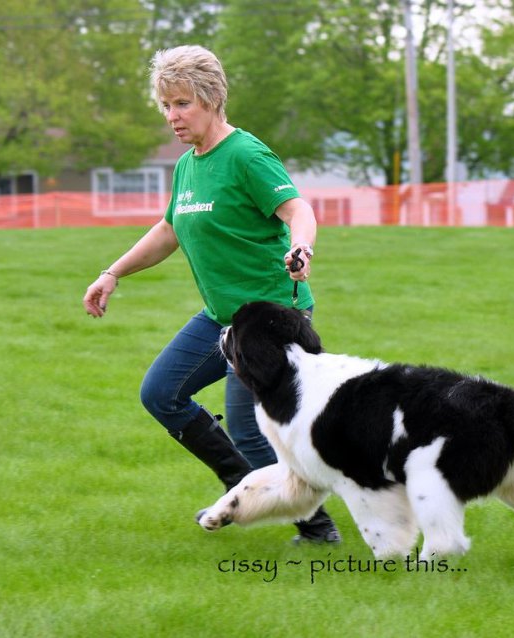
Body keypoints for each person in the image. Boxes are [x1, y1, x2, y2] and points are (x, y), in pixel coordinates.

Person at [82, 44, 340, 544]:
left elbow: (297, 210)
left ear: (211, 99)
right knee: (162, 395)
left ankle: (316, 527)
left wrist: (302, 248)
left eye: (182, 104)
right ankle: (241, 486)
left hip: (268, 319)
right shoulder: (188, 165)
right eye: (165, 105)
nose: (172, 117)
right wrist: (112, 273)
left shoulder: (246, 154)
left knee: (249, 428)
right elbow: (169, 230)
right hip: (219, 318)